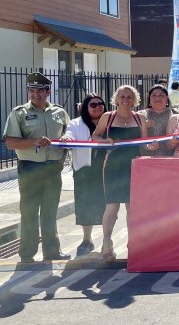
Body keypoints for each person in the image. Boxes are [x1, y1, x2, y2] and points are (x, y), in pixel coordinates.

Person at [2, 72, 71, 262]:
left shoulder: (59, 112)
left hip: (53, 168)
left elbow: (69, 134)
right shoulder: (18, 113)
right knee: (29, 211)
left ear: (48, 92)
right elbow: (10, 142)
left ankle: (52, 251)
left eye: (40, 91)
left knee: (50, 211)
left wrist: (67, 141)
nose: (35, 94)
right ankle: (27, 253)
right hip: (30, 168)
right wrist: (33, 141)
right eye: (32, 90)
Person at [92, 85, 154, 261]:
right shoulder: (108, 117)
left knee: (131, 207)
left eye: (129, 97)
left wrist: (151, 145)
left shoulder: (140, 118)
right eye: (122, 96)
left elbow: (144, 142)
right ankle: (106, 243)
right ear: (116, 99)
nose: (125, 100)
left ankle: (132, 243)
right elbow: (95, 136)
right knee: (112, 206)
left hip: (134, 167)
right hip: (113, 167)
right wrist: (104, 141)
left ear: (134, 100)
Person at [61, 94, 107, 256]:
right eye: (93, 105)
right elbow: (69, 135)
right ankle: (87, 240)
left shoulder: (110, 121)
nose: (97, 107)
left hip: (107, 169)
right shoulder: (76, 123)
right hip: (84, 171)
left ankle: (107, 241)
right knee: (84, 205)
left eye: (100, 104)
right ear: (86, 108)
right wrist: (66, 138)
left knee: (108, 205)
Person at [139, 84, 179, 157]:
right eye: (154, 95)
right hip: (148, 158)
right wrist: (141, 125)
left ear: (167, 98)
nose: (157, 98)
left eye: (161, 95)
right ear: (149, 99)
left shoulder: (177, 114)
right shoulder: (140, 116)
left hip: (172, 157)